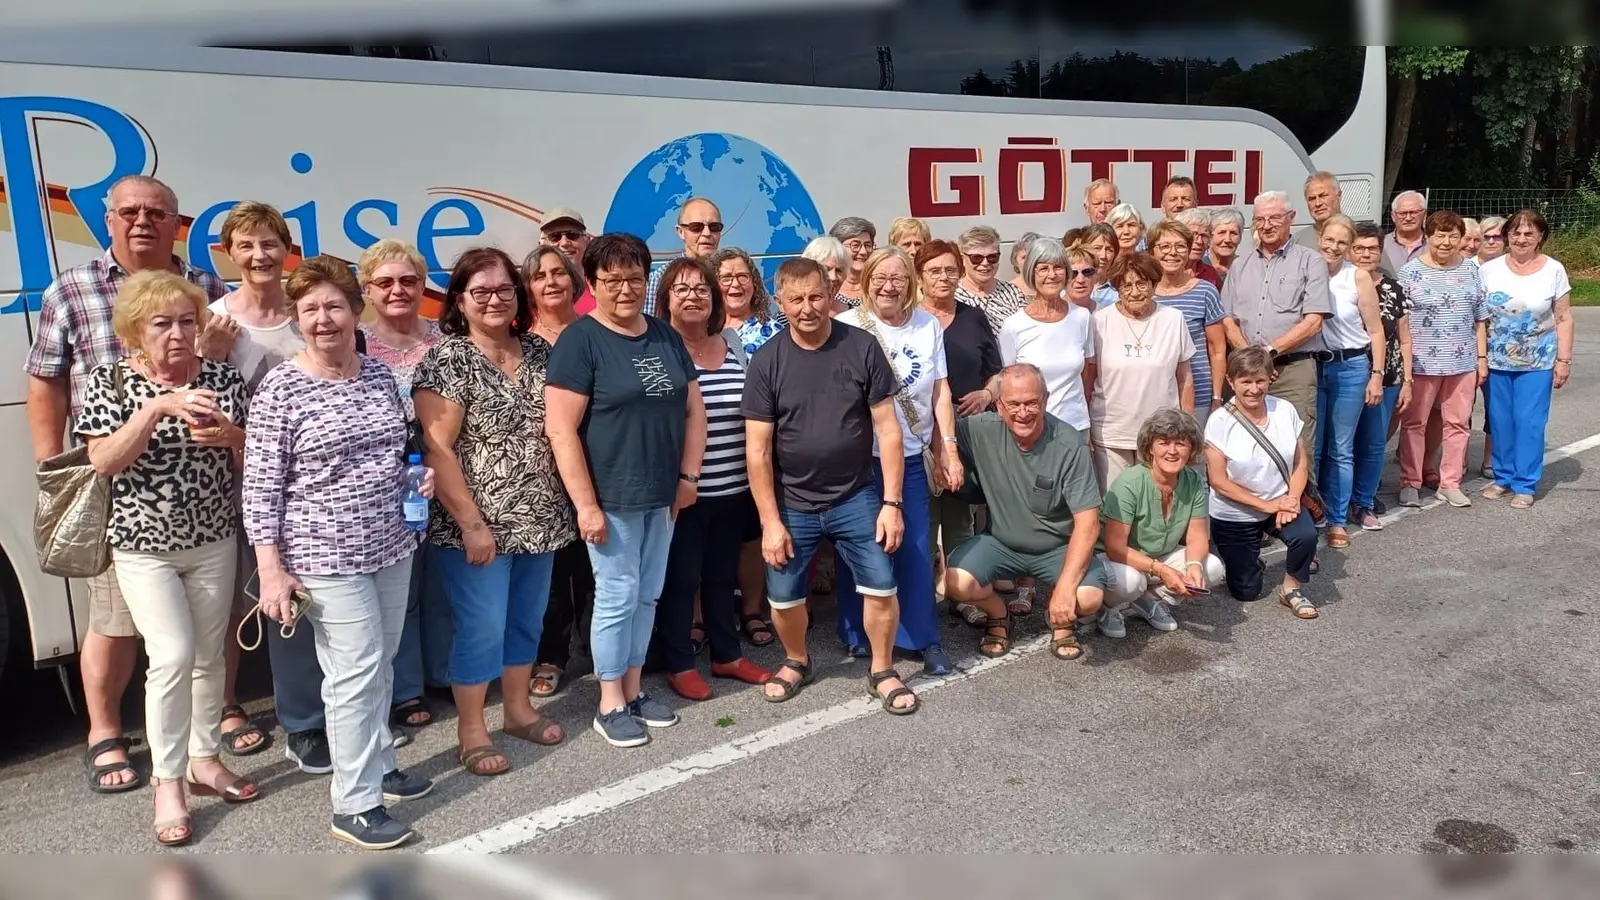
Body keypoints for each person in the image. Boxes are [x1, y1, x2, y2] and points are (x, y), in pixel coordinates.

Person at [25, 174, 229, 796]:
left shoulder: (208, 285)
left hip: (204, 502)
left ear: (176, 223)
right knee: (114, 623)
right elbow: (46, 380)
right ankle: (105, 731)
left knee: (205, 636)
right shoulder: (73, 288)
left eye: (157, 212)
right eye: (131, 212)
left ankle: (209, 736)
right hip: (121, 491)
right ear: (108, 220)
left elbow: (226, 367)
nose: (144, 221)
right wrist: (61, 472)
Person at [244, 255, 434, 850]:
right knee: (353, 672)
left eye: (333, 306)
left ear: (356, 311)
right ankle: (354, 805)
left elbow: (399, 449)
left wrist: (420, 480)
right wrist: (271, 571)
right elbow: (260, 484)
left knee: (381, 660)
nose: (324, 320)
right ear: (297, 321)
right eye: (309, 311)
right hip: (325, 556)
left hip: (391, 542)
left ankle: (379, 765)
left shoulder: (377, 375)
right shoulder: (282, 386)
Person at [76, 271, 256, 846]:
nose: (178, 333)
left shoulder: (224, 378)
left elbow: (256, 458)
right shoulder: (109, 382)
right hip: (142, 546)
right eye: (163, 323)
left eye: (186, 320)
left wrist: (231, 436)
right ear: (135, 329)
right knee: (173, 656)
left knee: (209, 658)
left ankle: (204, 761)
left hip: (212, 538)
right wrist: (156, 410)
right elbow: (103, 461)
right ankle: (168, 780)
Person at [412, 248, 576, 776]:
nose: (494, 300)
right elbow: (437, 448)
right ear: (460, 299)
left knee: (526, 620)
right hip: (476, 526)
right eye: (480, 291)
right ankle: (472, 729)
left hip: (539, 516)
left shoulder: (538, 349)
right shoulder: (448, 358)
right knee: (481, 627)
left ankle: (518, 710)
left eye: (504, 289)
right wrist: (472, 525)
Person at [546, 233, 707, 748]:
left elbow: (693, 410)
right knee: (616, 596)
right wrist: (585, 505)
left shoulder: (662, 335)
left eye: (634, 279)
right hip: (611, 497)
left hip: (663, 494)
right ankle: (609, 700)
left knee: (647, 595)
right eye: (612, 281)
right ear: (592, 284)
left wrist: (688, 478)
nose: (625, 290)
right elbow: (560, 428)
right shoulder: (580, 340)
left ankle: (635, 691)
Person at [742, 257, 920, 715]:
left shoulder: (861, 346)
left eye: (816, 297)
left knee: (882, 585)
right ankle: (797, 660)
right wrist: (769, 522)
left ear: (831, 295)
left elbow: (889, 429)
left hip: (856, 496)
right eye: (796, 299)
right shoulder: (766, 362)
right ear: (780, 302)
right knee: (782, 597)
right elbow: (758, 450)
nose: (808, 308)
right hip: (792, 503)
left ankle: (882, 669)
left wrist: (891, 503)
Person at [199, 201, 304, 759]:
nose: (259, 255)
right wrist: (208, 357)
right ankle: (227, 704)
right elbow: (197, 404)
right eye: (247, 245)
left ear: (287, 249)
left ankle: (310, 701)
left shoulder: (306, 313)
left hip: (303, 484)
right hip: (231, 484)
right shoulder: (216, 320)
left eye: (270, 243)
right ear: (228, 253)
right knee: (233, 600)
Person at [832, 247, 961, 675]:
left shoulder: (927, 326)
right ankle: (859, 636)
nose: (889, 286)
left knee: (915, 547)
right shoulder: (845, 327)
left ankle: (923, 637)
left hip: (907, 454)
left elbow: (940, 389)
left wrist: (948, 446)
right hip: (855, 459)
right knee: (860, 548)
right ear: (865, 279)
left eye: (899, 278)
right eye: (880, 278)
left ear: (911, 283)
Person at [652, 257, 773, 698]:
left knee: (724, 577)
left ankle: (727, 655)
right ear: (665, 300)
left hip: (735, 487)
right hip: (686, 492)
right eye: (681, 289)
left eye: (702, 289)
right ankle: (679, 662)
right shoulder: (659, 349)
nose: (693, 296)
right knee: (682, 580)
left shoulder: (734, 342)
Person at [943, 364, 1106, 662]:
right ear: (998, 404)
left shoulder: (1069, 443)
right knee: (954, 582)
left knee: (1089, 598)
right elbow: (938, 422)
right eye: (1013, 404)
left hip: (1057, 547)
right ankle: (998, 613)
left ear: (1045, 398)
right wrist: (947, 454)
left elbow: (1088, 523)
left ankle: (1062, 618)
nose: (1023, 412)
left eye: (1031, 403)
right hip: (1001, 543)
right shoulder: (980, 429)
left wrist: (1066, 589)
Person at [357, 239, 447, 732]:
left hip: (450, 470)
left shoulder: (445, 338)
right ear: (368, 290)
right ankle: (406, 686)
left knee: (444, 577)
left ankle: (446, 674)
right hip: (395, 478)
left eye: (409, 280)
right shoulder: (357, 342)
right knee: (404, 586)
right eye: (386, 282)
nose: (398, 290)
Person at [520, 245, 593, 699]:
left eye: (558, 273)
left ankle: (597, 649)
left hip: (593, 466)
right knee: (549, 572)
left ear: (573, 280)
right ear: (528, 288)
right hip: (539, 472)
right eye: (539, 276)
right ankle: (551, 654)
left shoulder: (594, 332)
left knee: (592, 565)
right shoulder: (520, 339)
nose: (551, 282)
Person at [915, 241, 1000, 612]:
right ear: (919, 277)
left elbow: (997, 372)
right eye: (935, 270)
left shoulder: (973, 318)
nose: (944, 278)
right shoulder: (910, 321)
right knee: (924, 515)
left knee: (960, 512)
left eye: (951, 270)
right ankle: (924, 592)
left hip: (967, 430)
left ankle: (963, 592)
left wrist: (985, 394)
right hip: (920, 434)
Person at [1220, 190, 1331, 472]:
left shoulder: (1311, 261)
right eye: (1260, 219)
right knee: (1247, 447)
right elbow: (1228, 319)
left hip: (1293, 371)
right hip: (1247, 371)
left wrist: (1268, 354)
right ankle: (1257, 513)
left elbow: (1313, 321)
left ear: (1291, 219)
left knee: (1298, 447)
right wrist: (1251, 360)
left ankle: (1302, 512)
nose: (1266, 225)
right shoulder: (1240, 265)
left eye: (1274, 218)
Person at [1204, 348, 1319, 619]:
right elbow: (1219, 482)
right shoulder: (1219, 421)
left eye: (1260, 381)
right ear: (1231, 383)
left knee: (1306, 536)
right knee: (1246, 591)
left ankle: (1292, 588)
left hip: (1280, 500)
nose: (1254, 389)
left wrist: (1290, 500)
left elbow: (1300, 463)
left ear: (1271, 379)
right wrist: (1267, 505)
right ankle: (1250, 561)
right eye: (1245, 381)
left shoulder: (1285, 410)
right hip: (1236, 512)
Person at [1098, 409, 1226, 635]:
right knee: (1131, 581)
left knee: (1212, 568)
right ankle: (1107, 608)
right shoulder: (1130, 482)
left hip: (1157, 556)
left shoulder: (1193, 480)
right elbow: (1114, 548)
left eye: (1181, 443)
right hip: (1115, 559)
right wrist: (1162, 570)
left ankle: (1148, 600)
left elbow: (1197, 534)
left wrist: (1193, 566)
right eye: (1164, 443)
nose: (1172, 451)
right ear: (1150, 447)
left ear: (1192, 449)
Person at [1480, 209, 1575, 508]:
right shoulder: (1489, 269)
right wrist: (1479, 357)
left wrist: (1564, 360)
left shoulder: (1554, 270)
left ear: (1541, 237)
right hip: (1496, 360)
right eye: (1516, 233)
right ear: (1507, 236)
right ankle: (1504, 477)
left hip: (1537, 361)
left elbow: (1563, 317)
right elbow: (1479, 318)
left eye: (1528, 233)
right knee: (1500, 421)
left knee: (1530, 422)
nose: (1521, 238)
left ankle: (1525, 483)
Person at [1396, 211, 1488, 510]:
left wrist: (1481, 358)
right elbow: (1401, 323)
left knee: (1457, 423)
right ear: (1429, 236)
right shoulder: (1410, 273)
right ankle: (1410, 481)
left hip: (1462, 362)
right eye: (1439, 235)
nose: (1446, 242)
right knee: (1414, 423)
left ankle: (1450, 483)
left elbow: (1480, 319)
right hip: (1423, 362)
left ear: (1461, 238)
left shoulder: (1472, 271)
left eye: (1452, 236)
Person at [1085, 252, 1195, 493]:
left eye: (1141, 284)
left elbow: (1184, 378)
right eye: (1126, 286)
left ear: (1154, 284)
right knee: (1116, 507)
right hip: (1112, 432)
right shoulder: (1099, 321)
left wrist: (1186, 426)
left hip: (1162, 434)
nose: (1134, 292)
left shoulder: (1173, 319)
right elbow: (1089, 378)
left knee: (1156, 504)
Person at [1307, 215, 1385, 549]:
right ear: (1319, 238)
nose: (1334, 247)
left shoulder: (1358, 277)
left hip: (1350, 367)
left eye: (1342, 242)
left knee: (1340, 448)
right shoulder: (1307, 271)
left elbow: (1377, 331)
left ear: (1350, 247)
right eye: (1329, 239)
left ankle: (1337, 519)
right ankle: (1314, 513)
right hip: (1312, 366)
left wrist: (1377, 375)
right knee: (1312, 447)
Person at [1349, 222, 1413, 529]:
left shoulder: (1392, 288)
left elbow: (1405, 339)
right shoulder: (1338, 285)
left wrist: (1407, 381)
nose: (1365, 254)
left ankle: (1364, 499)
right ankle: (1339, 497)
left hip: (1386, 377)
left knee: (1374, 443)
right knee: (1341, 443)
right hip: (1346, 375)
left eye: (1372, 248)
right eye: (1359, 248)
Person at [1148, 220, 1226, 425]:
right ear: (1151, 252)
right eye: (1164, 246)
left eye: (1180, 246)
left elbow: (1217, 349)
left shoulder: (1205, 291)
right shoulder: (1142, 293)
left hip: (1199, 396)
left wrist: (1216, 398)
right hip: (1154, 396)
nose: (1172, 253)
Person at [643, 197, 723, 316]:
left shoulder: (731, 280)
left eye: (714, 227)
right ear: (680, 232)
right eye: (696, 227)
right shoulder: (659, 280)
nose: (707, 233)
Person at [955, 225, 1029, 336]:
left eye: (992, 257)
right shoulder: (952, 296)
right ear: (963, 259)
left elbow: (1026, 333)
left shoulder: (1013, 293)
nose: (985, 263)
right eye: (976, 258)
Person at [712, 247, 785, 355]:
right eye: (726, 278)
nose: (736, 284)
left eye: (742, 276)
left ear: (754, 283)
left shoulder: (775, 335)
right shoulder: (703, 332)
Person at [539, 207, 596, 314]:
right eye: (554, 236)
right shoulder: (531, 296)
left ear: (587, 241)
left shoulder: (602, 289)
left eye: (573, 234)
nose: (564, 243)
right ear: (541, 245)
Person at [829, 216, 877, 307]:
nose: (863, 252)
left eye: (868, 245)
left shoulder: (879, 287)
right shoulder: (828, 287)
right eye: (855, 245)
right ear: (838, 247)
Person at [802, 235, 852, 313]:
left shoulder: (855, 317)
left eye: (839, 271)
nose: (833, 277)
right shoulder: (789, 317)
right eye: (826, 269)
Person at [1175, 208, 1222, 289]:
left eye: (1204, 236)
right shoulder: (1164, 271)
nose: (1200, 241)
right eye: (1194, 235)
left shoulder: (1211, 274)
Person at [1076, 223, 1121, 309]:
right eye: (1097, 248)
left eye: (1109, 250)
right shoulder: (1067, 288)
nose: (1103, 255)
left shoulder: (1119, 294)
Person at [1294, 171, 1343, 250]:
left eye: (1323, 196)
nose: (1317, 203)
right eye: (1312, 199)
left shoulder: (1358, 237)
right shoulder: (1297, 243)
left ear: (1339, 196)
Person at [1384, 190, 1429, 275]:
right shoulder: (1381, 245)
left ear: (1424, 214)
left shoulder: (1435, 245)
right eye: (1402, 213)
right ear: (1393, 216)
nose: (1408, 218)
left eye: (1414, 212)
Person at [1209, 209, 1245, 282]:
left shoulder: (1245, 268)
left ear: (1240, 237)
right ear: (1210, 236)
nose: (1227, 239)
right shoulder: (1197, 268)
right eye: (1222, 232)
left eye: (1233, 233)